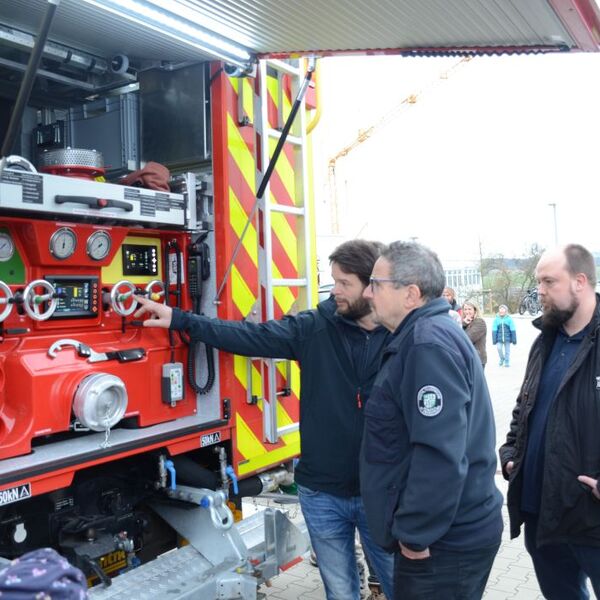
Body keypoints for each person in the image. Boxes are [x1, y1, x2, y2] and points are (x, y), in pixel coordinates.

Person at [134, 240, 394, 600]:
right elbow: (251, 336)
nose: (334, 290)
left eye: (343, 283)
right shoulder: (314, 327)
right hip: (322, 491)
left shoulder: (400, 336)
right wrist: (181, 320)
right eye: (332, 280)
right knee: (340, 591)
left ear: (371, 287)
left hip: (379, 491)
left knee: (401, 585)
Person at [360, 241, 503, 600]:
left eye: (375, 283)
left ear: (410, 294)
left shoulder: (427, 344)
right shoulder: (425, 335)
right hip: (448, 536)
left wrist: (414, 534)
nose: (367, 292)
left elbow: (439, 453)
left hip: (443, 544)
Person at [499, 244, 600, 600]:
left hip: (592, 519)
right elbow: (523, 407)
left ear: (580, 282)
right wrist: (511, 450)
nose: (539, 290)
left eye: (548, 281)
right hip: (542, 514)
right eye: (539, 281)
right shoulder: (544, 341)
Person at [462, 300, 487, 368]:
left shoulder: (480, 322)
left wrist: (463, 325)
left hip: (477, 359)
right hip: (468, 358)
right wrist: (463, 324)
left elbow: (467, 338)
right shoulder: (466, 322)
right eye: (465, 309)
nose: (467, 312)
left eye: (469, 309)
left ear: (475, 310)